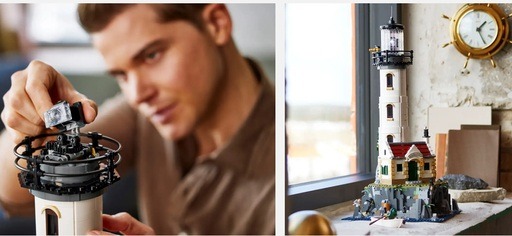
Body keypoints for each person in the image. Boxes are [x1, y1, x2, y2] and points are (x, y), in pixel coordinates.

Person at [0, 4, 275, 235]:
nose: (137, 94)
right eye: (121, 75)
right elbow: (8, 190)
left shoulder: (283, 166)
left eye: (152, 55)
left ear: (216, 23)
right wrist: (29, 127)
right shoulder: (143, 113)